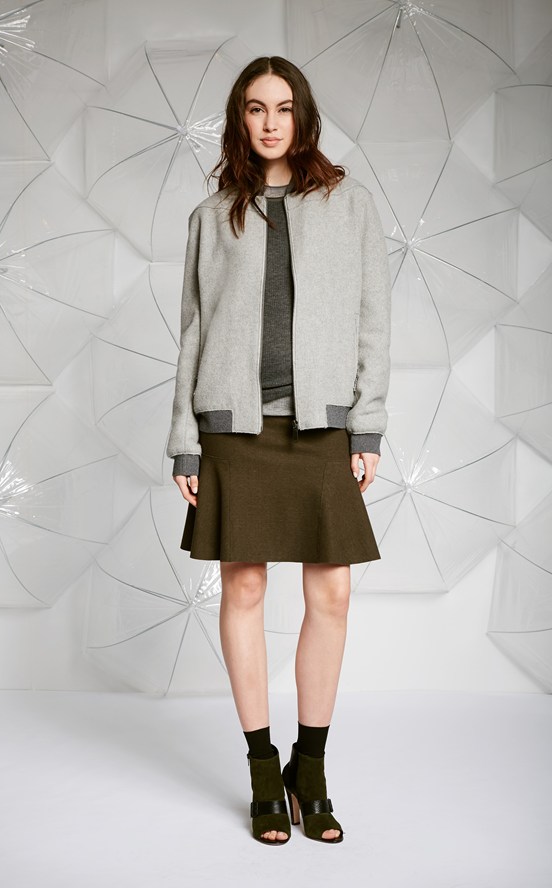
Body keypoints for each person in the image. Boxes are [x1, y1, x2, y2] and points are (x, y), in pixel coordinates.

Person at [166, 56, 391, 845]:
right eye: (256, 108)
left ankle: (311, 767)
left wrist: (367, 426)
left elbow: (373, 320)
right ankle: (265, 770)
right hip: (234, 430)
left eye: (284, 107)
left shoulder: (348, 203)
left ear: (304, 117)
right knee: (245, 589)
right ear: (240, 118)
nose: (270, 122)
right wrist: (184, 443)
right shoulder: (212, 215)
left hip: (320, 426)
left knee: (331, 594)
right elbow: (192, 331)